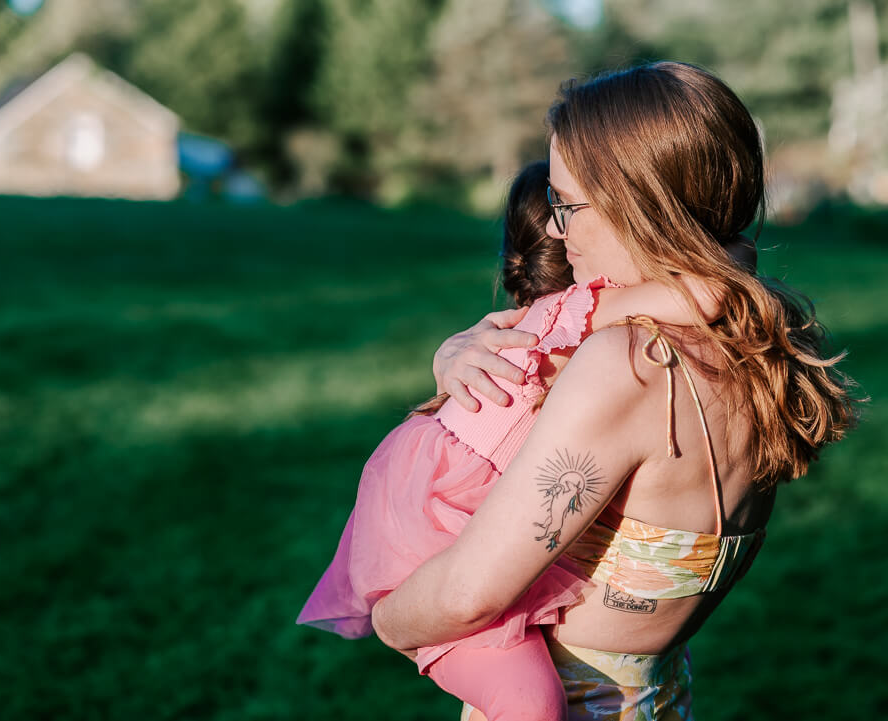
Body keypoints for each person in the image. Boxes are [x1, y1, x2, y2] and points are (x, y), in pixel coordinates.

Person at [370, 62, 859, 720]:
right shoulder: (755, 340)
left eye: (568, 205)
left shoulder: (627, 365)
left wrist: (385, 617)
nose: (558, 231)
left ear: (640, 206)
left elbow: (466, 594)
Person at [297, 159, 751, 720]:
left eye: (574, 209)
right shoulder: (583, 321)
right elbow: (713, 289)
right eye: (559, 211)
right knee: (527, 700)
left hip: (439, 496)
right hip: (438, 511)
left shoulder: (569, 327)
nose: (564, 227)